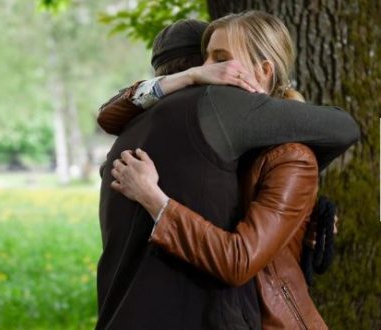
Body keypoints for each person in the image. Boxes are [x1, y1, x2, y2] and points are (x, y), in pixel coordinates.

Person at [96, 12, 359, 330]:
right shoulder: (219, 132)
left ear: (263, 70)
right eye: (204, 60)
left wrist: (155, 199)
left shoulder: (284, 151)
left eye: (220, 59)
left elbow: (345, 127)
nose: (210, 69)